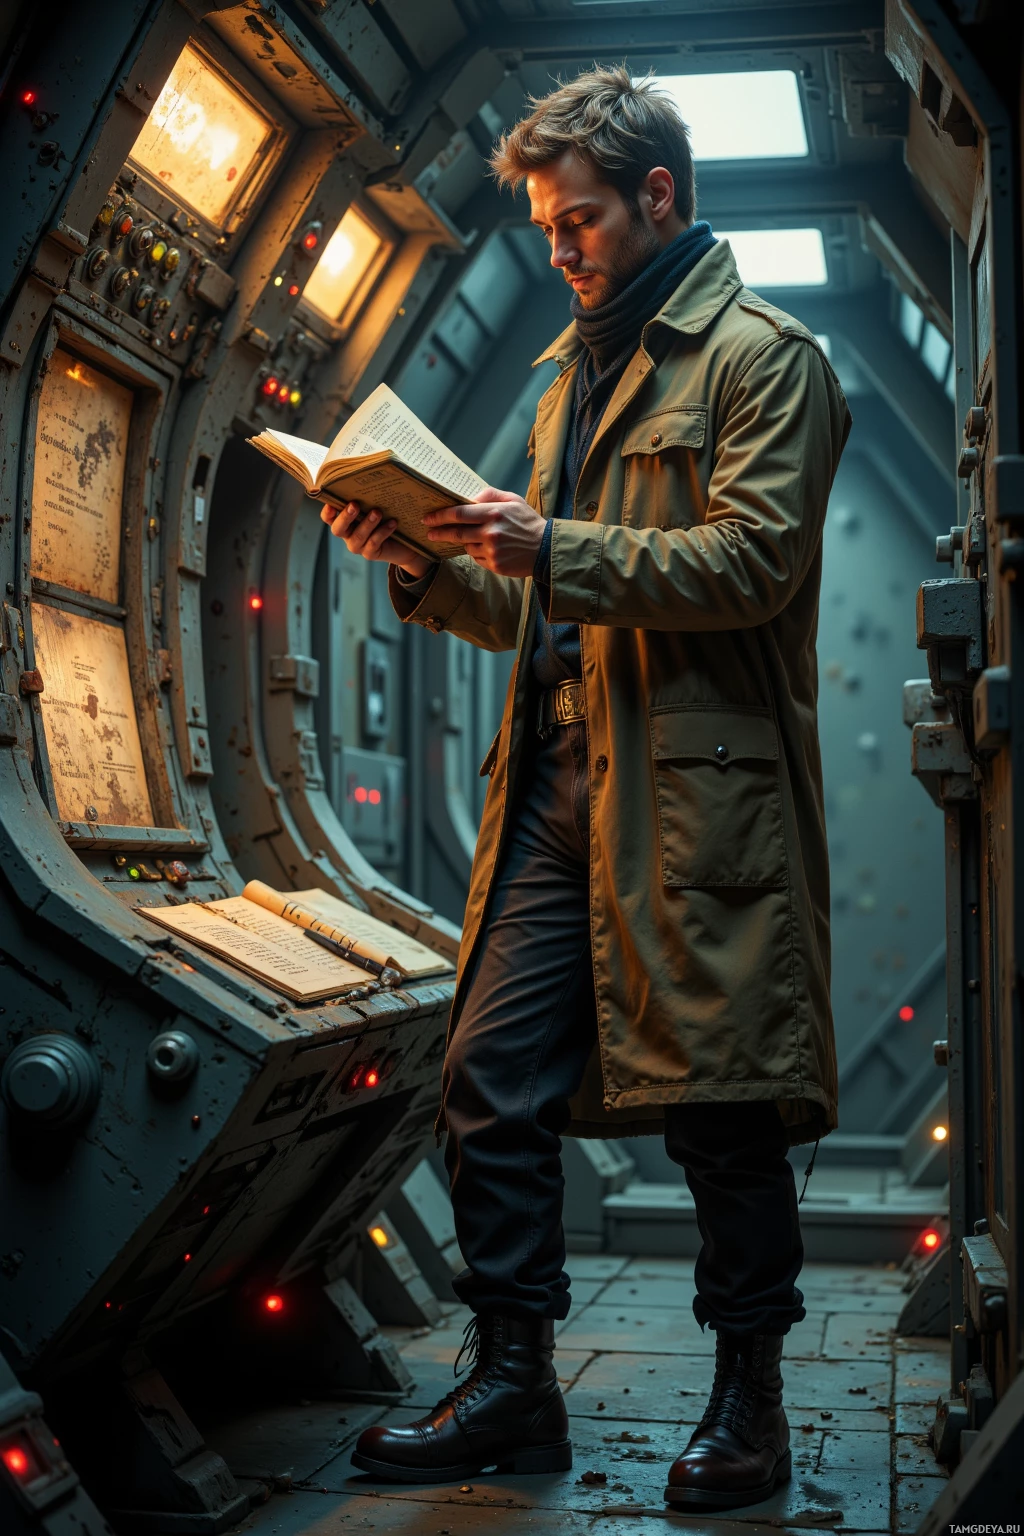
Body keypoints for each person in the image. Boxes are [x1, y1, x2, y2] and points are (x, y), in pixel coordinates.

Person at [324, 66, 851, 1512]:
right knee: (486, 1081)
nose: (560, 250)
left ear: (658, 196)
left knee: (724, 1109)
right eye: (548, 229)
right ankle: (515, 1383)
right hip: (555, 791)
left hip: (693, 804)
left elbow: (754, 564)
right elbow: (539, 600)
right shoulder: (571, 374)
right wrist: (426, 561)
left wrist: (548, 543)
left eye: (580, 221)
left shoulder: (765, 361)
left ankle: (750, 1406)